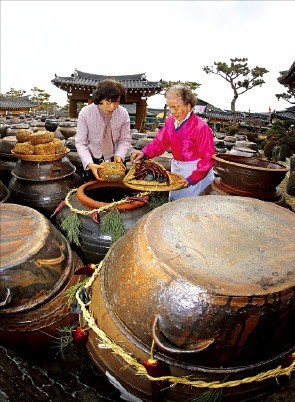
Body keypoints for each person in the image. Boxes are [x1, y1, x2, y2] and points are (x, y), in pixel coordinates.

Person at [130, 84, 215, 201]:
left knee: (189, 204)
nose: (172, 111)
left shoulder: (201, 127)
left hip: (195, 171)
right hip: (178, 168)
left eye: (176, 107)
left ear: (188, 106)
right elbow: (160, 142)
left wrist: (192, 178)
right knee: (174, 201)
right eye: (170, 107)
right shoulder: (170, 121)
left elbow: (208, 158)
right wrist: (144, 153)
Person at [75, 79, 131, 181]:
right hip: (93, 160)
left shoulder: (123, 113)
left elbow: (125, 140)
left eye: (116, 102)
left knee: (118, 191)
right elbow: (80, 143)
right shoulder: (86, 113)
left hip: (116, 161)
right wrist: (89, 163)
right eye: (108, 102)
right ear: (99, 99)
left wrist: (119, 156)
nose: (112, 107)